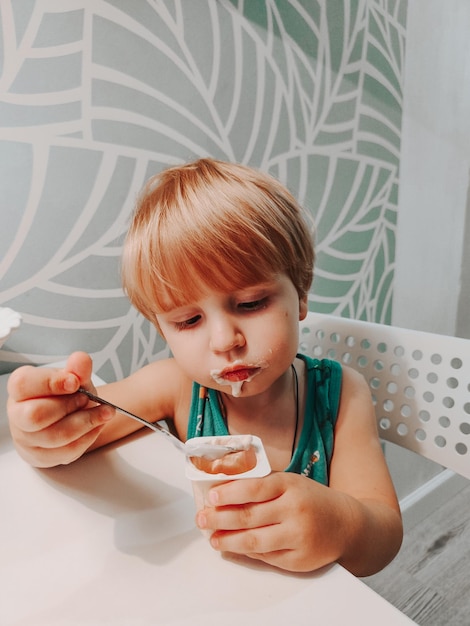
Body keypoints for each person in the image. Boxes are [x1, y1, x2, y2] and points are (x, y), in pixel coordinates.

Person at [7, 158, 402, 576]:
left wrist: (343, 526)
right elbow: (81, 430)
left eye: (250, 304)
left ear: (300, 293)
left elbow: (384, 538)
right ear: (163, 329)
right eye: (188, 321)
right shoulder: (175, 385)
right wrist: (44, 427)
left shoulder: (341, 395)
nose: (224, 341)